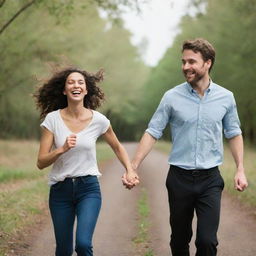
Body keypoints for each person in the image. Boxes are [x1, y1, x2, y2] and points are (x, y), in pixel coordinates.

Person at [122, 38, 248, 255]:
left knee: (207, 241)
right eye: (183, 62)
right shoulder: (171, 97)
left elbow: (234, 133)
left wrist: (240, 168)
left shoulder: (226, 97)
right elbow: (153, 131)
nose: (186, 67)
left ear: (207, 63)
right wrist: (133, 166)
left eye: (192, 62)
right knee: (179, 240)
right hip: (179, 178)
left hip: (210, 179)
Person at [34, 67, 139, 256]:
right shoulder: (52, 120)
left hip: (88, 189)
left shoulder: (98, 120)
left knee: (83, 244)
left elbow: (117, 147)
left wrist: (130, 170)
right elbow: (41, 162)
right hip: (60, 191)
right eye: (71, 82)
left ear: (86, 89)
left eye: (80, 82)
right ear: (64, 90)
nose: (76, 85)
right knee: (64, 250)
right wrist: (62, 149)